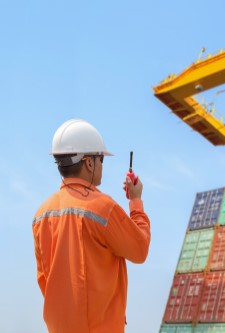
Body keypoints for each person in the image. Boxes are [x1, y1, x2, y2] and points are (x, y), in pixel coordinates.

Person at [32, 119, 151, 333]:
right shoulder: (102, 207)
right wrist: (136, 202)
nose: (102, 166)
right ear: (88, 162)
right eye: (101, 159)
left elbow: (44, 278)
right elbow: (140, 250)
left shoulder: (41, 214)